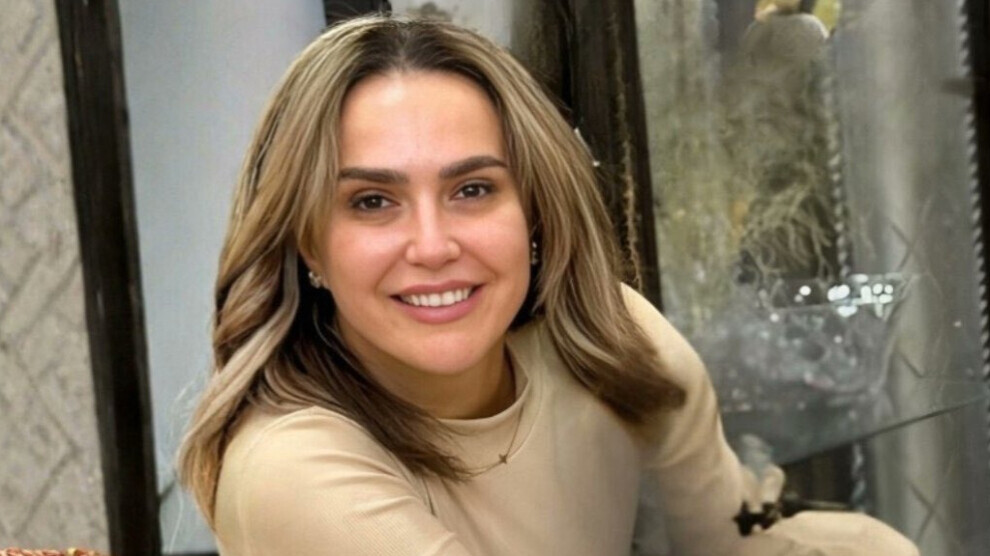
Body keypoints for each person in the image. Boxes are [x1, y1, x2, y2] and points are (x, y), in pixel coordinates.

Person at [177, 14, 918, 556]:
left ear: (533, 209)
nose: (433, 246)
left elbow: (736, 539)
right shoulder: (292, 469)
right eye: (372, 201)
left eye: (472, 189)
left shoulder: (610, 344)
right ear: (306, 241)